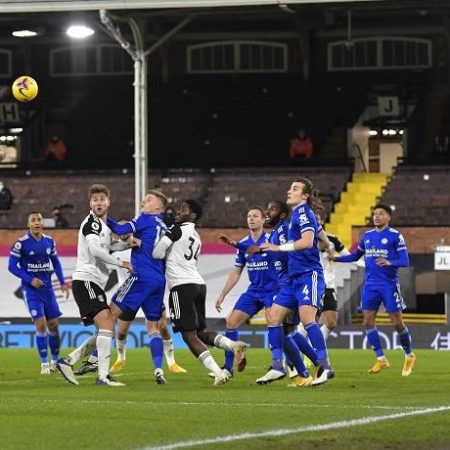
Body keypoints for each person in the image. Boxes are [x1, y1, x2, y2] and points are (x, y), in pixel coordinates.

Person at [152, 199, 247, 385]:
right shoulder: (196, 236)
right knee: (200, 332)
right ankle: (232, 345)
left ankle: (218, 373)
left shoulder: (175, 229)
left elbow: (157, 253)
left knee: (188, 335)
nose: (178, 212)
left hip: (181, 287)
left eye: (183, 210)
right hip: (198, 285)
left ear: (193, 215)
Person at [259, 177, 334, 386]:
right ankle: (277, 366)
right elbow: (317, 233)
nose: (289, 191)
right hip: (293, 279)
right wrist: (327, 243)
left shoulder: (304, 213)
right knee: (274, 317)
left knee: (307, 319)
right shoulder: (298, 216)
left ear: (305, 195)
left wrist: (279, 248)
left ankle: (326, 367)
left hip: (308, 274)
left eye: (295, 188)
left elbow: (307, 241)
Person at [56, 184, 132, 387]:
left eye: (102, 199)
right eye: (95, 199)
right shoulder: (92, 223)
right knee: (107, 323)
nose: (99, 202)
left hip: (93, 282)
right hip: (86, 280)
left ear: (108, 201)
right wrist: (122, 262)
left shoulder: (103, 227)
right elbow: (96, 251)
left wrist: (125, 245)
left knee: (104, 329)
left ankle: (68, 361)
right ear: (90, 203)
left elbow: (106, 247)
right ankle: (102, 377)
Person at [330, 203, 416, 376]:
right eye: (375, 213)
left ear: (388, 217)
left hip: (389, 284)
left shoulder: (395, 236)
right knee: (367, 322)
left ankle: (409, 355)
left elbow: (405, 260)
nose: (376, 216)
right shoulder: (367, 236)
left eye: (381, 213)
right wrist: (337, 258)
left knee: (397, 323)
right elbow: (355, 256)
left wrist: (390, 262)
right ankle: (381, 359)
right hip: (370, 285)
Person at [106, 189, 172, 384]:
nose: (144, 201)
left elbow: (120, 230)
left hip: (141, 275)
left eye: (149, 199)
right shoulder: (164, 226)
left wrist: (102, 217)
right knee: (153, 327)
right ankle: (159, 371)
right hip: (158, 279)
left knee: (109, 316)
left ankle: (98, 364)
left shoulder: (146, 219)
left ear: (158, 207)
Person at [215, 206, 278, 377]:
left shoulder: (272, 239)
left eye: (255, 216)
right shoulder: (244, 243)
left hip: (273, 290)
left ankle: (277, 366)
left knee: (272, 322)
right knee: (231, 323)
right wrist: (223, 294)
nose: (251, 218)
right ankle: (228, 369)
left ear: (263, 220)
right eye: (249, 216)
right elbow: (236, 272)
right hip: (254, 291)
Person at [8, 211, 71, 374]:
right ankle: (44, 363)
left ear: (43, 223)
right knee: (41, 323)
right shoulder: (21, 243)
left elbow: (56, 262)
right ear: (29, 224)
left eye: (39, 220)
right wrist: (30, 279)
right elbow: (12, 266)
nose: (36, 222)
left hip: (48, 290)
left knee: (53, 325)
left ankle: (55, 360)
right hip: (31, 291)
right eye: (33, 220)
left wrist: (63, 282)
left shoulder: (49, 241)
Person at [316, 212, 352, 341]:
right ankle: (296, 356)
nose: (315, 220)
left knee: (331, 323)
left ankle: (312, 345)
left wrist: (368, 264)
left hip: (327, 285)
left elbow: (349, 257)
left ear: (322, 220)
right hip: (309, 285)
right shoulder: (301, 240)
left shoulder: (332, 239)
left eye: (317, 218)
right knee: (308, 323)